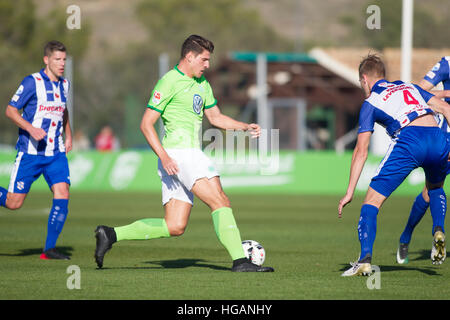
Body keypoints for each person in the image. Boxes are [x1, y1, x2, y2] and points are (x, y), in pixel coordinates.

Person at [94, 35, 274, 272]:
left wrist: (243, 126)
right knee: (220, 200)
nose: (208, 65)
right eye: (204, 59)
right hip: (181, 154)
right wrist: (164, 156)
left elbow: (216, 117)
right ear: (189, 57)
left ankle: (110, 234)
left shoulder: (202, 84)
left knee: (175, 226)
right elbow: (146, 124)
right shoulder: (169, 81)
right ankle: (241, 261)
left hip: (181, 158)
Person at [338, 54, 450, 276]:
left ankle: (364, 261)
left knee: (371, 202)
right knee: (435, 188)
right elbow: (446, 110)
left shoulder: (370, 102)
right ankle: (438, 229)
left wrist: (349, 191)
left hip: (410, 139)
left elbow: (361, 151)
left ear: (364, 78)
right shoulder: (409, 86)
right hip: (437, 137)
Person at [0, 40, 72, 260]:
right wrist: (30, 128)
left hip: (56, 153)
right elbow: (11, 111)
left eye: (64, 60)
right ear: (46, 60)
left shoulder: (65, 84)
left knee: (63, 193)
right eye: (57, 59)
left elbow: (63, 111)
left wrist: (68, 135)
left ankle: (49, 249)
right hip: (31, 154)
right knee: (14, 203)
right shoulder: (31, 82)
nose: (61, 64)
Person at [397, 57, 450, 265]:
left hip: (442, 141)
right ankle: (417, 235)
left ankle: (417, 235)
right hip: (444, 137)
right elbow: (417, 91)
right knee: (431, 191)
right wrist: (445, 94)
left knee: (432, 190)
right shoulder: (447, 64)